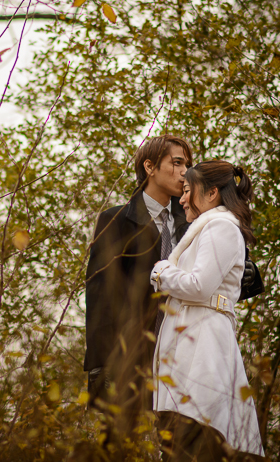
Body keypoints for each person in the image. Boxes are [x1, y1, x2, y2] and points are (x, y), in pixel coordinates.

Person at [84, 137, 262, 435]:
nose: (184, 172)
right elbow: (100, 297)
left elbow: (217, 281)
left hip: (184, 356)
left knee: (178, 450)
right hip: (129, 356)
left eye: (188, 165)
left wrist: (250, 275)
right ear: (149, 167)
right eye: (177, 163)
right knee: (116, 449)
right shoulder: (115, 220)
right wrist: (101, 364)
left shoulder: (198, 220)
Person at [149, 160, 265, 462]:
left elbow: (200, 286)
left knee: (208, 458)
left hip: (204, 353)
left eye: (188, 191)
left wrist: (161, 272)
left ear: (212, 193)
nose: (182, 199)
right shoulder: (208, 228)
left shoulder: (221, 227)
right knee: (180, 459)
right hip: (189, 350)